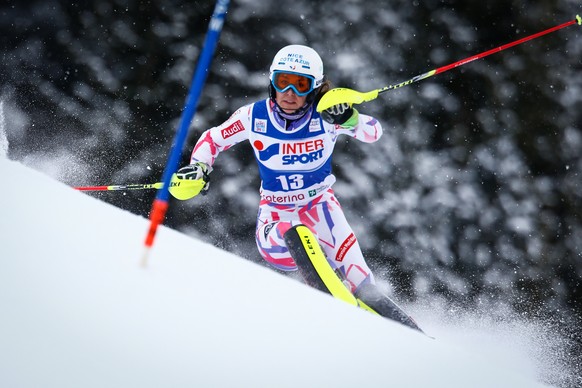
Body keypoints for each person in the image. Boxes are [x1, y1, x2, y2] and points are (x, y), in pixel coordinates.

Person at [178, 44, 421, 331]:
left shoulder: (326, 116)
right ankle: (339, 304)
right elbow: (212, 139)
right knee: (294, 231)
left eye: (300, 84)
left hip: (320, 207)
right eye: (283, 81)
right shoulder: (253, 117)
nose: (290, 92)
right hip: (276, 218)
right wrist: (200, 167)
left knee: (363, 282)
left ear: (315, 87)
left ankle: (406, 336)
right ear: (272, 81)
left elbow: (374, 132)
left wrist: (349, 119)